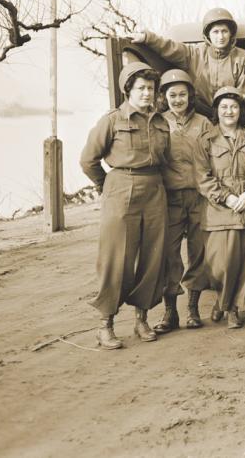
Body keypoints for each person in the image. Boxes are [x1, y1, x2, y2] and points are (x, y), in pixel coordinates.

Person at [80, 61, 170, 350]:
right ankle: (105, 324)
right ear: (128, 90)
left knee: (152, 257)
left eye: (151, 89)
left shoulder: (160, 121)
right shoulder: (112, 120)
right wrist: (105, 185)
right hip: (121, 188)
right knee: (116, 258)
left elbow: (165, 159)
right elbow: (88, 160)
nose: (147, 94)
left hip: (155, 188)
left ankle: (141, 318)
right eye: (141, 88)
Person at [194, 86, 245, 329]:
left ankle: (233, 310)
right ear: (217, 110)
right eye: (224, 106)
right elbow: (201, 176)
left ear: (241, 110)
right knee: (219, 265)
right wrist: (226, 197)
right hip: (219, 211)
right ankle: (221, 299)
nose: (230, 111)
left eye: (234, 106)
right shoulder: (206, 140)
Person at [152, 69, 212, 334]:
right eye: (172, 94)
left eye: (183, 94)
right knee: (169, 255)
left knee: (199, 251)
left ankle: (193, 308)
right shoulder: (157, 122)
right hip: (170, 198)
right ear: (164, 96)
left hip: (200, 197)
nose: (178, 99)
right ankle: (170, 311)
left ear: (190, 96)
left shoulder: (204, 123)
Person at [128, 8, 245, 111]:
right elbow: (169, 47)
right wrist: (147, 38)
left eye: (224, 31)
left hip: (229, 113)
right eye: (215, 32)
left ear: (231, 34)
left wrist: (226, 113)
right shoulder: (194, 53)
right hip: (199, 113)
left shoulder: (241, 58)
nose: (220, 36)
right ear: (208, 35)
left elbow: (242, 93)